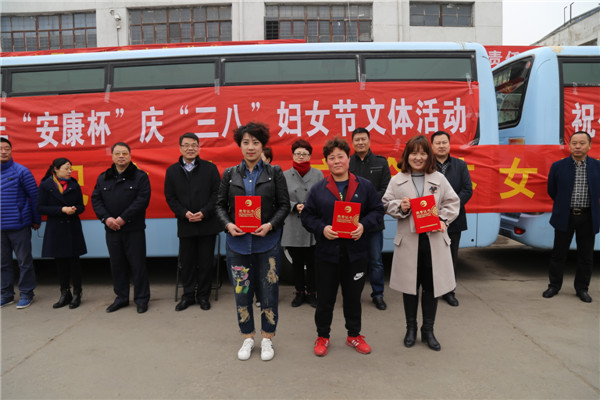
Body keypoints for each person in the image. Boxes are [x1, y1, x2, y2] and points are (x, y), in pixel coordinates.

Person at [301, 137, 384, 357]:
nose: (337, 161)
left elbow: (377, 210)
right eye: (332, 158)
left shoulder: (364, 186)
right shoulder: (318, 189)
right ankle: (323, 336)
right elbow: (307, 216)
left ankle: (353, 335)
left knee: (353, 298)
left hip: (355, 254)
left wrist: (363, 226)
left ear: (348, 158)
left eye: (341, 156)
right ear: (326, 162)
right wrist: (322, 228)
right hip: (326, 255)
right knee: (325, 299)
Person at [215, 122, 290, 361]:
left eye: (255, 142)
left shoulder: (274, 173)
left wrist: (270, 225)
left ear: (262, 146)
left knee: (269, 293)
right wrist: (228, 225)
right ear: (240, 145)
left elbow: (284, 205)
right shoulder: (230, 174)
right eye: (246, 142)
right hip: (237, 245)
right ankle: (247, 337)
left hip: (267, 244)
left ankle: (267, 338)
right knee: (242, 292)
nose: (250, 147)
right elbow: (219, 206)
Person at [382, 135, 459, 351]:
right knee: (410, 288)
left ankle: (428, 330)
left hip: (433, 242)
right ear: (407, 155)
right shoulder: (397, 180)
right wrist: (401, 206)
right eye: (414, 153)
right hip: (409, 242)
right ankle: (411, 329)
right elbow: (386, 203)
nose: (418, 157)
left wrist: (442, 219)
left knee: (432, 288)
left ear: (429, 155)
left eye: (423, 153)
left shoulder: (439, 179)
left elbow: (453, 202)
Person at [91, 142, 151, 314]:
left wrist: (124, 218)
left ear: (130, 156)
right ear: (112, 156)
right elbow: (96, 200)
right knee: (117, 265)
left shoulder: (140, 177)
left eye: (124, 153)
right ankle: (121, 298)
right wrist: (106, 218)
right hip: (112, 230)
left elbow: (142, 200)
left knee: (138, 265)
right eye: (117, 153)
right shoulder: (103, 177)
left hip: (134, 230)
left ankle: (141, 299)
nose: (121, 156)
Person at [165, 133, 222, 312]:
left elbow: (217, 194)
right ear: (180, 148)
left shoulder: (210, 169)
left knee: (206, 263)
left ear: (198, 147)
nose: (190, 148)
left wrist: (204, 212)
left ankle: (203, 296)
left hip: (207, 223)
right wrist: (184, 213)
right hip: (186, 224)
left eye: (194, 145)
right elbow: (170, 197)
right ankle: (188, 296)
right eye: (186, 145)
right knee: (187, 263)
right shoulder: (172, 171)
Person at [543, 131, 600, 303]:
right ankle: (554, 286)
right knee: (558, 254)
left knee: (586, 256)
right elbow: (552, 190)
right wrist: (563, 205)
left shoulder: (597, 166)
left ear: (589, 146)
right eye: (574, 143)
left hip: (588, 217)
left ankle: (582, 288)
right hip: (565, 216)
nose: (577, 146)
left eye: (582, 143)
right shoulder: (558, 166)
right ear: (569, 146)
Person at [349, 127, 391, 310]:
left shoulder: (381, 162)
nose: (360, 142)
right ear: (352, 143)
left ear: (369, 141)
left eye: (363, 139)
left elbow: (386, 189)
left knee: (376, 261)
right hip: (351, 221)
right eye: (357, 140)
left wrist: (367, 201)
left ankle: (378, 294)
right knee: (353, 260)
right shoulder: (347, 162)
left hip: (373, 221)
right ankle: (353, 294)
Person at [37, 158, 87, 309]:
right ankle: (65, 293)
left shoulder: (74, 185)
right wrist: (61, 210)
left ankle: (77, 292)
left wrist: (74, 210)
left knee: (74, 262)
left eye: (71, 168)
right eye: (66, 168)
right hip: (56, 228)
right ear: (56, 169)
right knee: (60, 263)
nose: (70, 171)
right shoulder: (46, 185)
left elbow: (81, 206)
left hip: (72, 227)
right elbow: (41, 208)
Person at [430, 131, 473, 307]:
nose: (441, 146)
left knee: (451, 257)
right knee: (432, 257)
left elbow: (467, 190)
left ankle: (449, 292)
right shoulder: (426, 165)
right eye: (438, 143)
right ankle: (432, 290)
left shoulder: (460, 165)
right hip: (431, 218)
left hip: (454, 219)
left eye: (444, 142)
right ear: (432, 146)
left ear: (449, 144)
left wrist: (451, 207)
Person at [282, 139, 324, 308]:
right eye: (298, 153)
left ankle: (312, 293)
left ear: (310, 156)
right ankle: (299, 293)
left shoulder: (318, 174)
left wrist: (310, 206)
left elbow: (322, 196)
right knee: (297, 262)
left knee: (312, 262)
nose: (301, 157)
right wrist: (295, 206)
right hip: (293, 223)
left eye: (305, 154)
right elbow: (281, 198)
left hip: (312, 223)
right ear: (293, 155)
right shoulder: (284, 175)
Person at [1, 137, 41, 309]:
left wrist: (36, 219)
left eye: (7, 148)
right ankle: (6, 294)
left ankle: (26, 293)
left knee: (24, 262)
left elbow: (34, 196)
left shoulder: (21, 171)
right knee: (2, 263)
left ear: (11, 151)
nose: (3, 152)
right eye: (0, 149)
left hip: (19, 225)